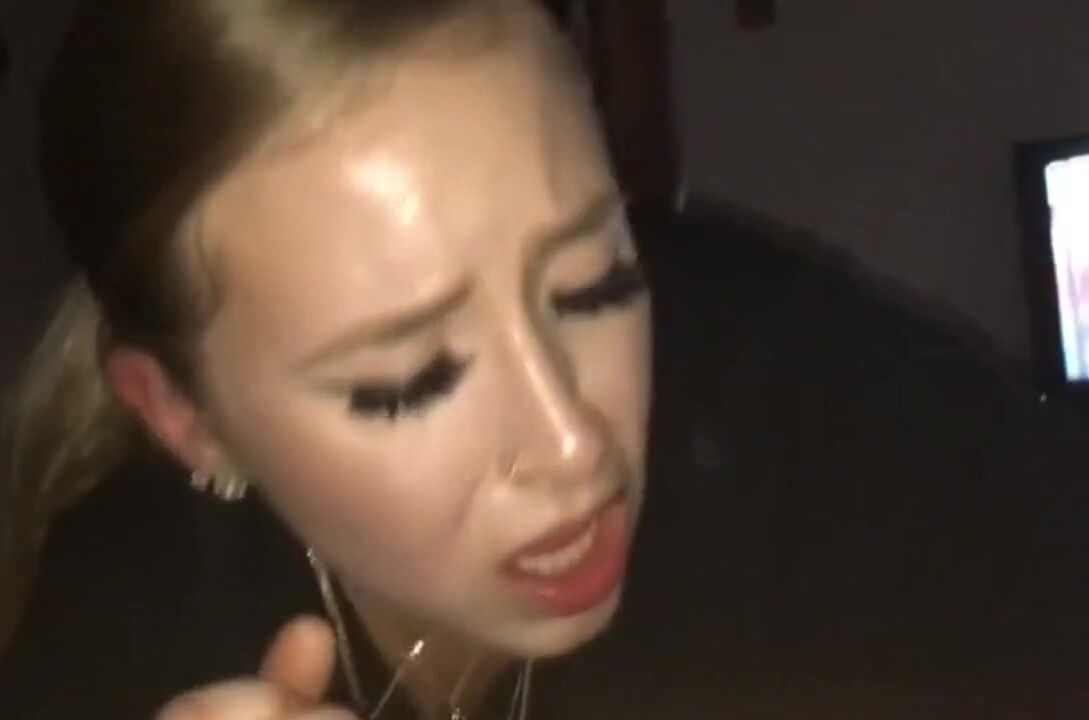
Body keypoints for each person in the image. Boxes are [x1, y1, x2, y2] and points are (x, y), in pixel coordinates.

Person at [5, 1, 1089, 718]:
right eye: (408, 382)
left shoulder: (821, 401)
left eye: (595, 286)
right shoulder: (123, 630)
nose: (577, 446)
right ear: (184, 416)